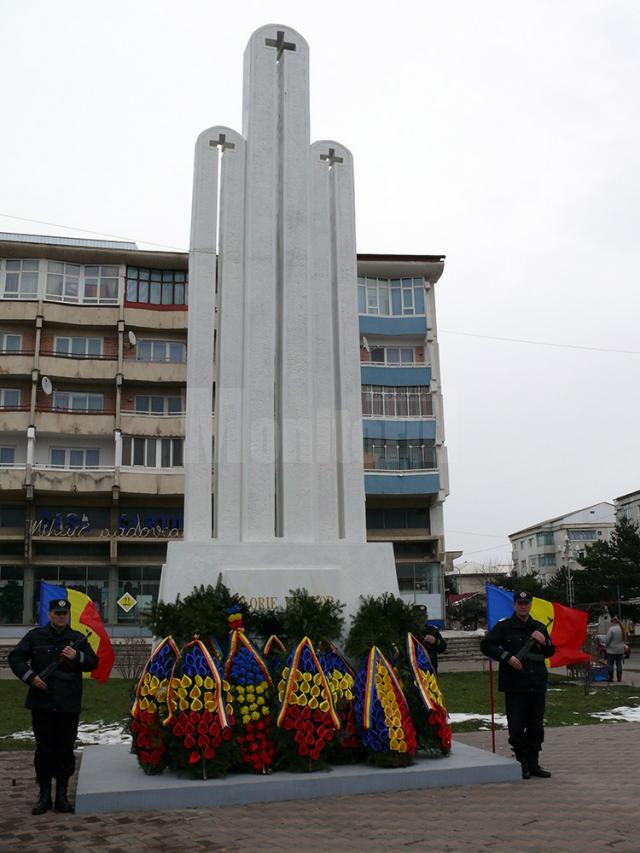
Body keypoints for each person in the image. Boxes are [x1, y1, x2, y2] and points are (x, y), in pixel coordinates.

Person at [8, 598, 98, 815]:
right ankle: (44, 796)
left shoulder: (76, 639)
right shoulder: (35, 636)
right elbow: (15, 658)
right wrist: (31, 678)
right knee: (44, 750)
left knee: (65, 750)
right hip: (43, 704)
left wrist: (77, 656)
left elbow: (94, 662)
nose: (60, 617)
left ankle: (62, 797)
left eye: (64, 614)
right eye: (57, 613)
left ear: (68, 615)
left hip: (68, 704)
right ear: (49, 615)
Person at [480, 590, 555, 780]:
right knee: (516, 726)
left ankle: (534, 761)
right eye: (520, 603)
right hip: (515, 684)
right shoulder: (504, 626)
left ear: (530, 605)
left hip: (536, 683)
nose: (523, 606)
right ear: (514, 605)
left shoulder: (538, 626)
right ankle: (521, 761)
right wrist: (506, 657)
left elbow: (550, 652)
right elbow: (486, 644)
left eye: (526, 603)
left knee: (536, 726)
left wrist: (544, 641)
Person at [605, 616, 626, 683]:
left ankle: (611, 679)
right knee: (619, 664)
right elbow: (624, 639)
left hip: (611, 650)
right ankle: (619, 679)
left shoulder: (611, 629)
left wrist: (606, 646)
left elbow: (608, 640)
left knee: (610, 664)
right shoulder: (622, 628)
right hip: (620, 650)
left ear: (613, 622)